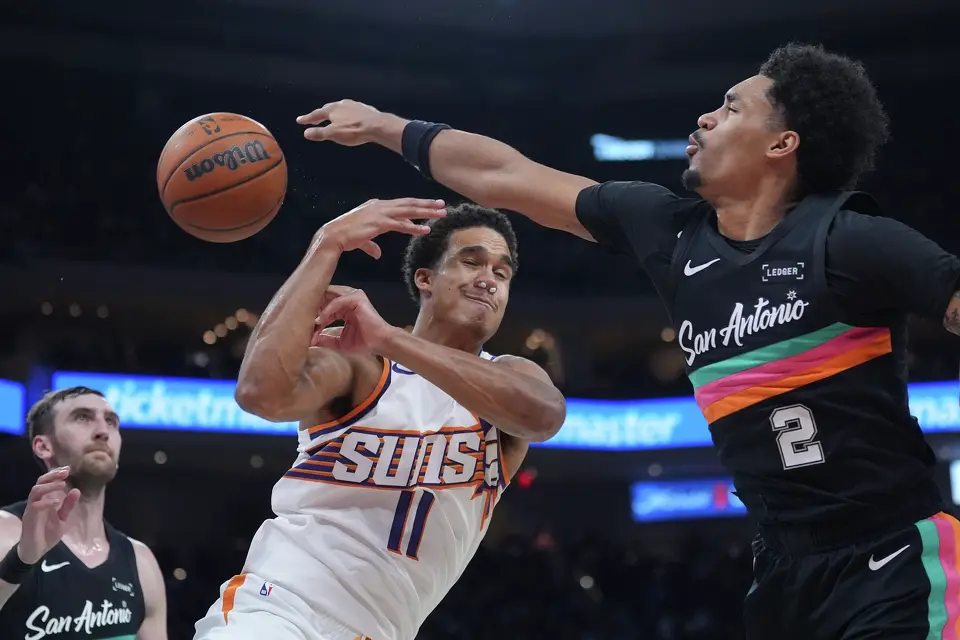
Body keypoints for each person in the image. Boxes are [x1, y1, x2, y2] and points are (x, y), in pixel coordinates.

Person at [299, 43, 960, 639]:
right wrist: (387, 128)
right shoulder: (669, 232)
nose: (704, 119)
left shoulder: (852, 240)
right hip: (784, 569)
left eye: (730, 109)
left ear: (781, 145)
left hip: (896, 553)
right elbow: (506, 174)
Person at [193, 198, 565, 640]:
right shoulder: (363, 366)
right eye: (471, 263)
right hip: (281, 607)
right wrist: (327, 244)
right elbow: (259, 394)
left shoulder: (511, 376)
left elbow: (543, 417)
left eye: (501, 273)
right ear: (424, 278)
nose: (488, 280)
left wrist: (389, 337)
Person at [0, 386, 168, 640]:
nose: (103, 432)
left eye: (111, 422)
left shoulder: (141, 561)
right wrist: (21, 561)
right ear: (44, 446)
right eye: (82, 418)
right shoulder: (4, 534)